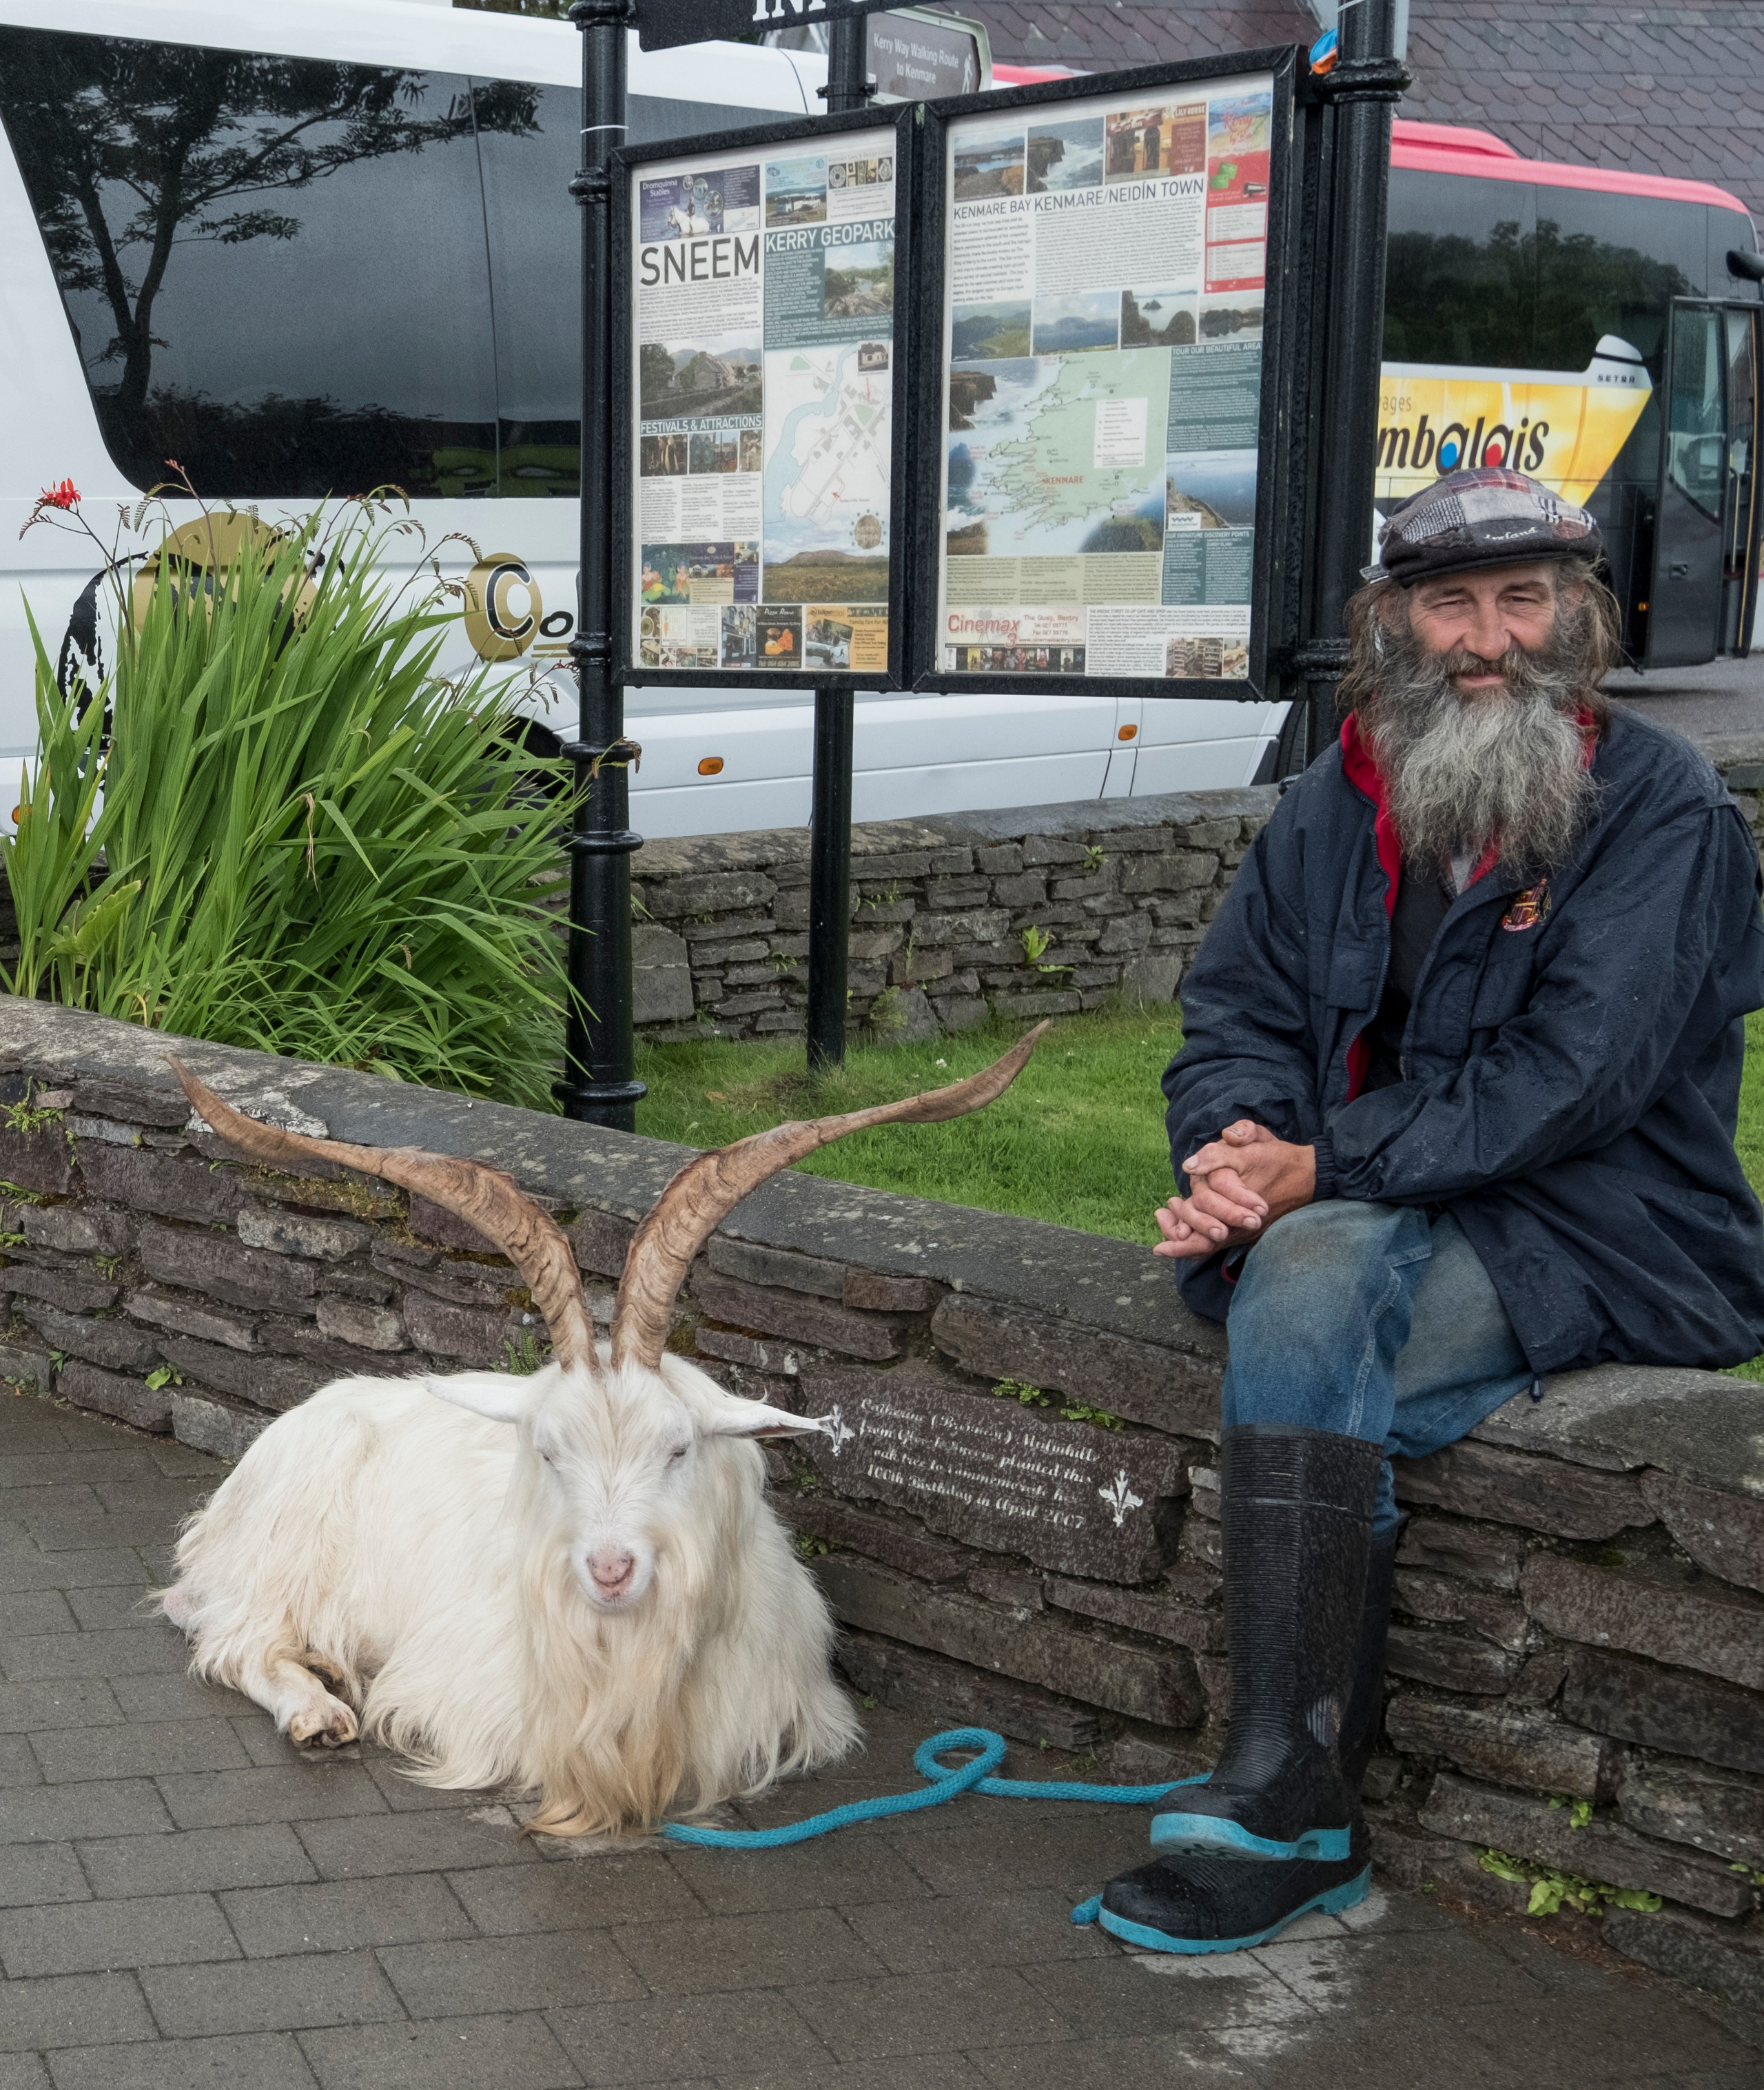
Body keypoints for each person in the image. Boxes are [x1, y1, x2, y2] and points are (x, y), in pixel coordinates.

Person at [1097, 466, 1764, 1954]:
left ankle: (1287, 1801)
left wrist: (1311, 1172)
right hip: (1378, 1199)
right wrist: (1231, 1143)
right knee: (1311, 1293)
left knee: (1308, 1297)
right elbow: (1233, 1013)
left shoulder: (1657, 803)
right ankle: (1294, 1785)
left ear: (1574, 615)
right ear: (1390, 620)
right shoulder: (1335, 797)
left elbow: (1573, 1076)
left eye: (1519, 598)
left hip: (1607, 1223)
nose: (1486, 637)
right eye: (1449, 600)